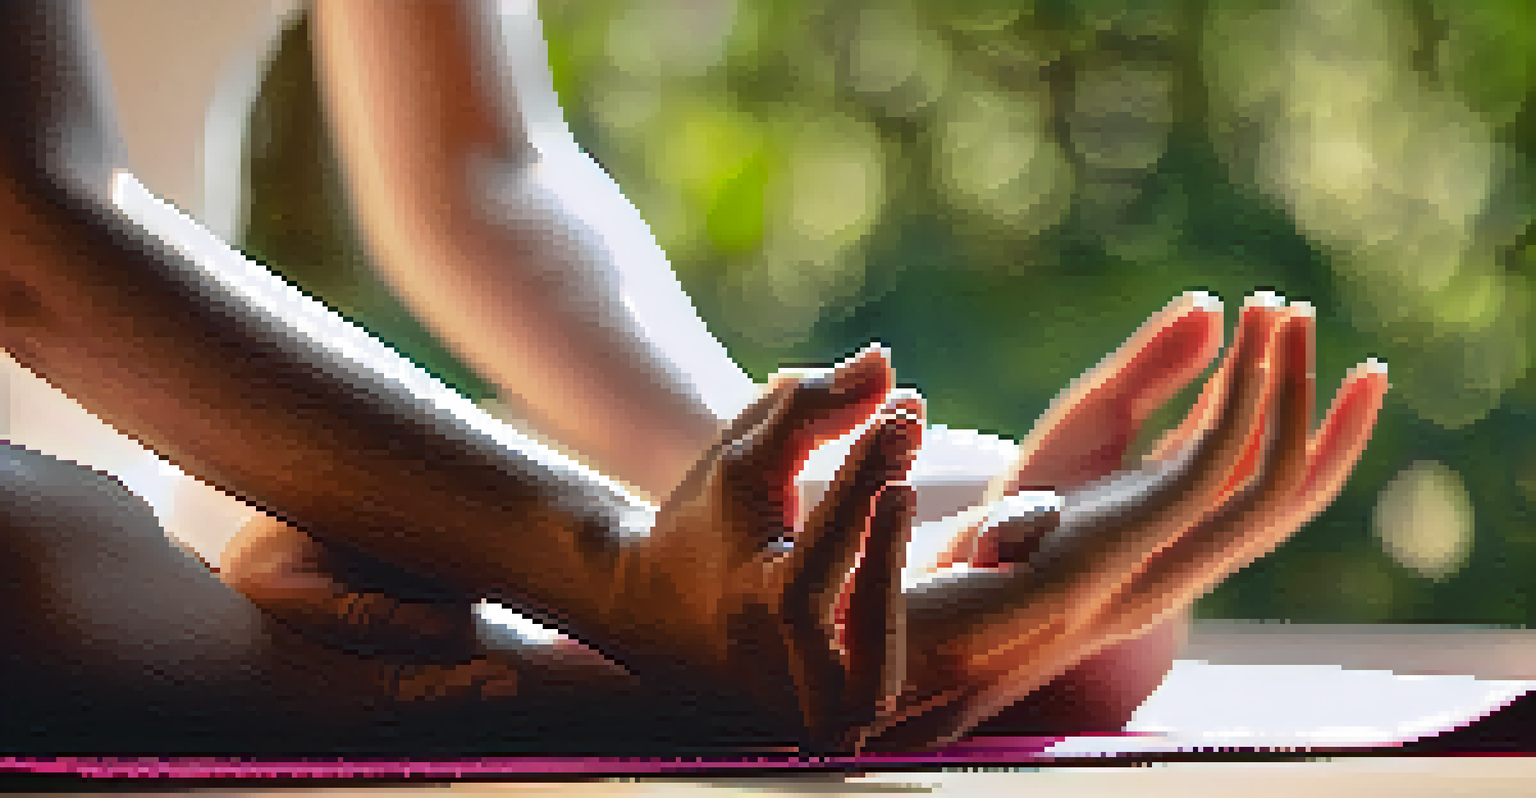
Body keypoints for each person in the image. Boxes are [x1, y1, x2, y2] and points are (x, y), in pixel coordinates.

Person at [0, 0, 1388, 754]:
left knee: (1004, 544)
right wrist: (611, 566)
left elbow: (484, 178)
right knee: (45, 552)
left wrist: (760, 493)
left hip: (177, 461)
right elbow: (31, 236)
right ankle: (496, 686)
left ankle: (338, 637)